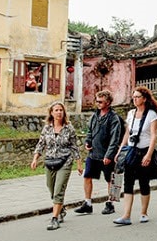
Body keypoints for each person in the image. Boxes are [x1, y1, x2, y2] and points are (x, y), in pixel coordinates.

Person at [113, 86, 157, 225]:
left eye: (137, 97)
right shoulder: (131, 113)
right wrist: (120, 149)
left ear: (145, 99)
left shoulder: (151, 115)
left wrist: (148, 155)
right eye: (133, 97)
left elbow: (154, 136)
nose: (134, 99)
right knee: (128, 183)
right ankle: (126, 215)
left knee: (143, 182)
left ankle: (143, 213)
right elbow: (127, 133)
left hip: (145, 150)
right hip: (131, 151)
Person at [30, 102, 83, 230]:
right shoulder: (47, 128)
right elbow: (41, 144)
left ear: (64, 113)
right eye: (56, 110)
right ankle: (61, 209)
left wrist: (79, 163)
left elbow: (74, 146)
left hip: (65, 161)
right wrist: (35, 159)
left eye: (61, 110)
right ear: (51, 113)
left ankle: (55, 218)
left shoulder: (69, 128)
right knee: (52, 189)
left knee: (59, 190)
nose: (59, 112)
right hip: (49, 162)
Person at [75, 90, 122, 215]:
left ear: (108, 102)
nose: (98, 103)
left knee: (111, 179)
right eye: (97, 101)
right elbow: (89, 131)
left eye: (101, 101)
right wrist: (87, 142)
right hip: (94, 154)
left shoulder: (114, 118)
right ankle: (88, 203)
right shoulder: (94, 116)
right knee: (87, 176)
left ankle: (111, 203)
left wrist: (109, 155)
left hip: (107, 154)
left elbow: (115, 138)